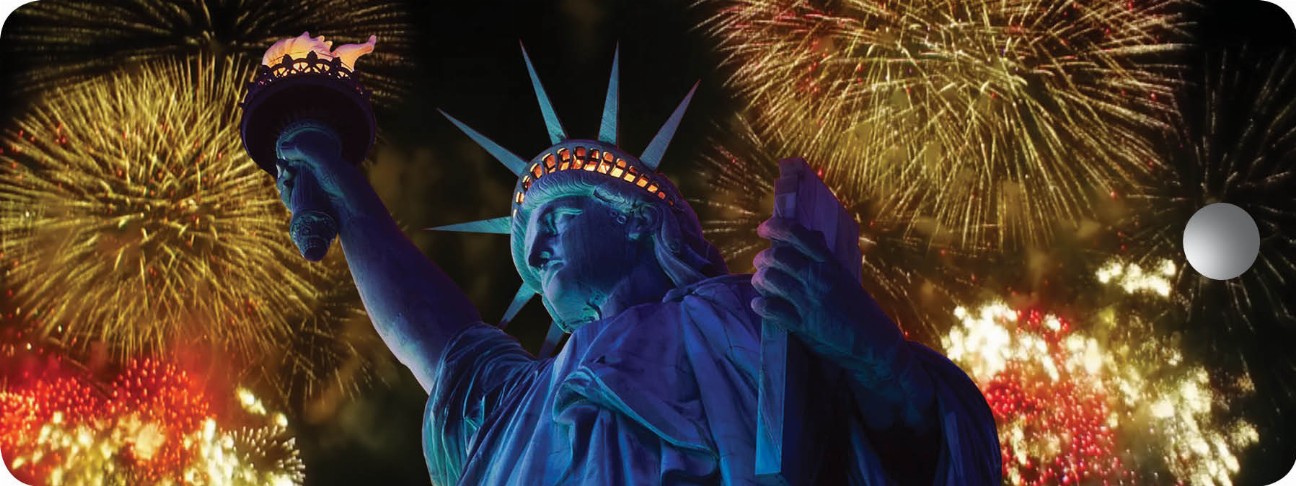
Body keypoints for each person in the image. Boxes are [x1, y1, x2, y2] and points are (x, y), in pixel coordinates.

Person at [271, 47, 1002, 485]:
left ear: (639, 220)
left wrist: (873, 355)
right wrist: (344, 188)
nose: (536, 250)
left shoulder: (755, 314)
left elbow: (921, 449)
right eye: (528, 248)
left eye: (557, 219)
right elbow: (431, 332)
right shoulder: (525, 397)